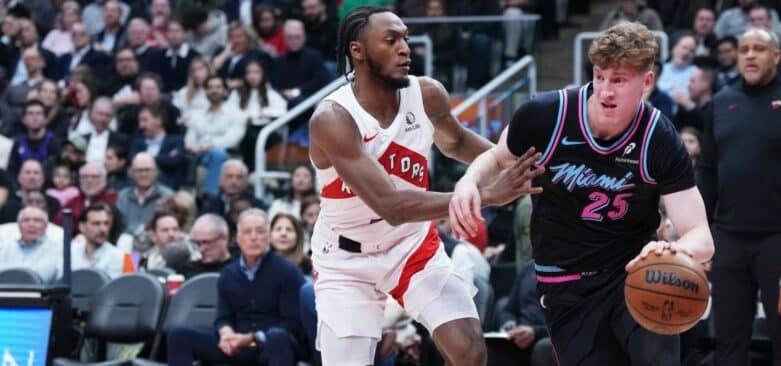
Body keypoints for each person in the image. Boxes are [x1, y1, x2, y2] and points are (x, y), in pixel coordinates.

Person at [449, 22, 714, 365]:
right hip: (564, 282)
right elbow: (495, 157)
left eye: (618, 80)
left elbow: (702, 237)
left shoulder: (658, 137)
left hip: (631, 274)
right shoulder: (546, 114)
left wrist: (675, 249)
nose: (605, 91)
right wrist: (468, 182)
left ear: (646, 83)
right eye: (600, 76)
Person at [307, 7, 541, 366]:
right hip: (346, 259)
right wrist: (484, 194)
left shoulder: (427, 95)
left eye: (405, 39)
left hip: (410, 245)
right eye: (391, 40)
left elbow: (458, 142)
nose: (405, 48)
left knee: (470, 352)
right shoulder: (333, 118)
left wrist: (521, 165)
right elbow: (392, 206)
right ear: (357, 50)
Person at [698, 28, 781, 366]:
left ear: (777, 56)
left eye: (759, 48)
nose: (750, 55)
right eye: (744, 49)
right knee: (727, 337)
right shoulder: (719, 103)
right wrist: (698, 232)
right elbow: (708, 172)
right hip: (728, 236)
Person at [167, 209, 305, 366]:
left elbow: (293, 323)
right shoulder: (228, 274)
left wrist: (252, 338)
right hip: (237, 345)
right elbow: (222, 318)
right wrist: (226, 333)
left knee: (278, 337)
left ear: (268, 237)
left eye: (260, 231)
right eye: (247, 232)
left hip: (267, 345)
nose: (253, 237)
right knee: (178, 335)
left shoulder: (288, 271)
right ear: (238, 239)